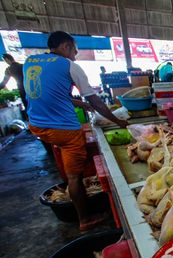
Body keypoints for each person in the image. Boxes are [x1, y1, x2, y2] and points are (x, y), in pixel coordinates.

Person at [25, 31, 128, 231]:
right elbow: (95, 100)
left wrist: (77, 102)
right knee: (74, 177)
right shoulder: (70, 66)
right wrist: (116, 120)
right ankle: (85, 219)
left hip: (37, 125)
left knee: (67, 166)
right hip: (64, 129)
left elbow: (45, 91)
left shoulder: (31, 61)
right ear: (65, 46)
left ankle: (77, 197)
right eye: (74, 49)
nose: (76, 54)